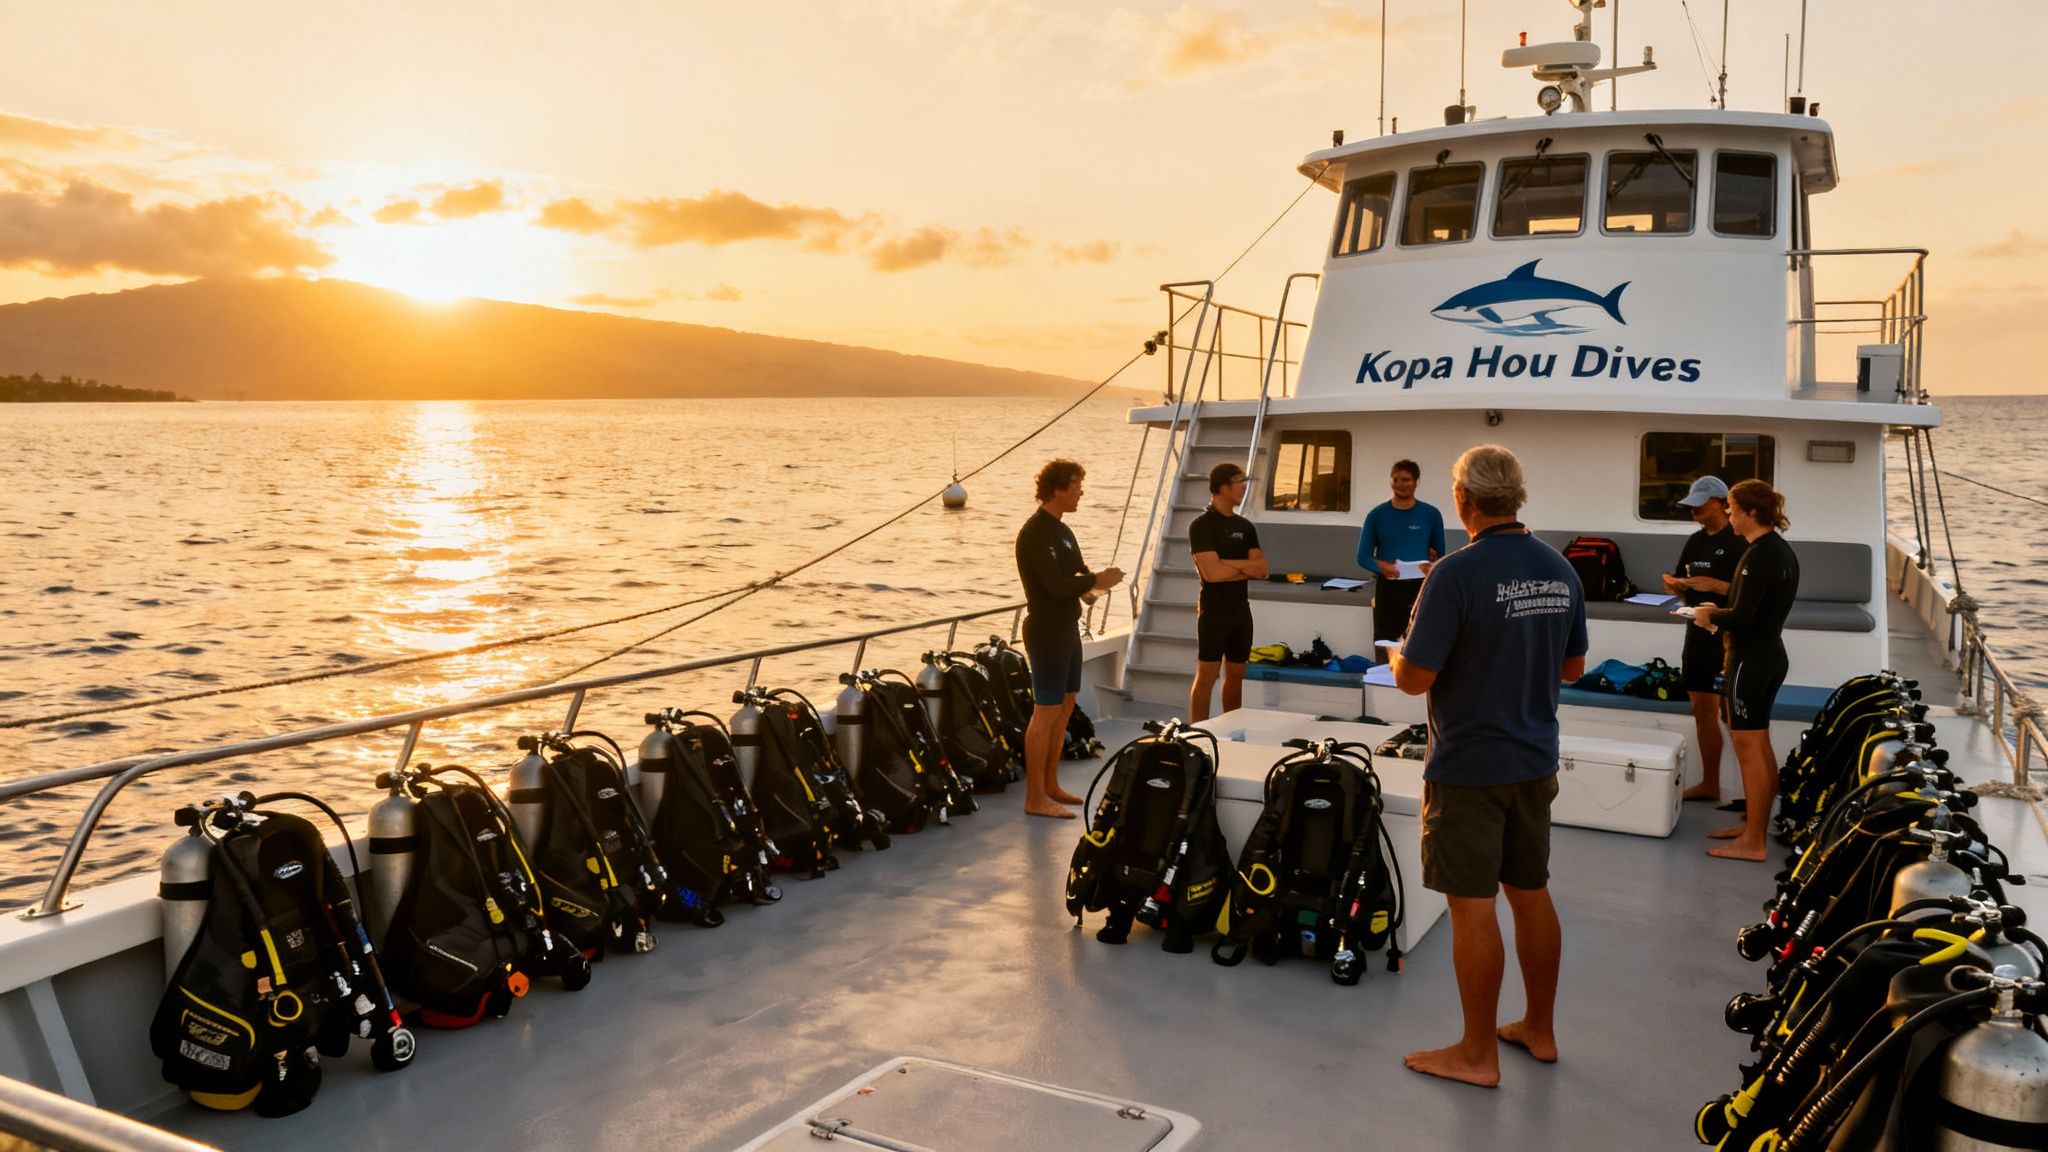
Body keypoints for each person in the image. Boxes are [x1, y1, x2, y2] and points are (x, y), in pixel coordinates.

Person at [1387, 444, 1588, 1088]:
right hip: (1535, 759)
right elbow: (1573, 666)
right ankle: (1540, 1029)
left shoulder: (1454, 574)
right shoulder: (1559, 568)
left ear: (1463, 501)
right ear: (1516, 496)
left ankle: (1477, 1053)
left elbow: (1415, 680)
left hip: (1469, 767)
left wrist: (1394, 655)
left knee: (1471, 906)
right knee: (1530, 893)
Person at [1692, 480, 1798, 862]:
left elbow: (1743, 616)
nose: (1729, 515)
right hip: (1768, 656)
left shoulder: (1759, 555)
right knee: (1760, 745)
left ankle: (1753, 841)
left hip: (1750, 660)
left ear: (1751, 512)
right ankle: (1752, 826)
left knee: (1749, 748)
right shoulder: (1778, 550)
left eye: (1733, 508)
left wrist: (1707, 615)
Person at [1014, 459, 1123, 819]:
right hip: (1046, 630)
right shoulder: (1035, 533)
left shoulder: (1063, 531)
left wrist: (1093, 585)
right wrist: (1096, 581)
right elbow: (1055, 586)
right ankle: (1034, 798)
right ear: (1057, 489)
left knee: (1065, 705)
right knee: (1044, 711)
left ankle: (1050, 785)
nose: (1081, 492)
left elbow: (1076, 574)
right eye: (1076, 486)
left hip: (1067, 628)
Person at [1662, 476, 1741, 805]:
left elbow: (1750, 594)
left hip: (1728, 636)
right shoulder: (1695, 541)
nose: (1693, 509)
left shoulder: (1741, 542)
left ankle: (1752, 793)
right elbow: (1685, 584)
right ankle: (1710, 783)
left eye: (1700, 503)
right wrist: (1677, 587)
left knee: (1732, 716)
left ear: (1721, 502)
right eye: (1691, 504)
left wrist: (1714, 585)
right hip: (1696, 631)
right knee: (1701, 710)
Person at [1187, 462, 1268, 722]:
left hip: (1240, 611)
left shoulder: (1246, 527)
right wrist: (1244, 568)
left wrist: (1227, 564)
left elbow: (1263, 568)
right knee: (1207, 676)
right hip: (1214, 611)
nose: (1244, 487)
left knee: (1235, 676)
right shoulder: (1201, 526)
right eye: (1239, 482)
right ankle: (1196, 735)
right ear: (1223, 487)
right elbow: (1212, 574)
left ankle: (1232, 730)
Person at [1357, 459, 1446, 655]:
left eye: (1406, 479)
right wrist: (1380, 566)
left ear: (1416, 482)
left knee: (1419, 644)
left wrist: (1431, 564)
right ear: (1390, 482)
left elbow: (1441, 555)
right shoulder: (1377, 515)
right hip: (1388, 589)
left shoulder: (1431, 514)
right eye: (1396, 479)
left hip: (1420, 589)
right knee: (1386, 645)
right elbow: (1362, 557)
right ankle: (1383, 682)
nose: (1401, 484)